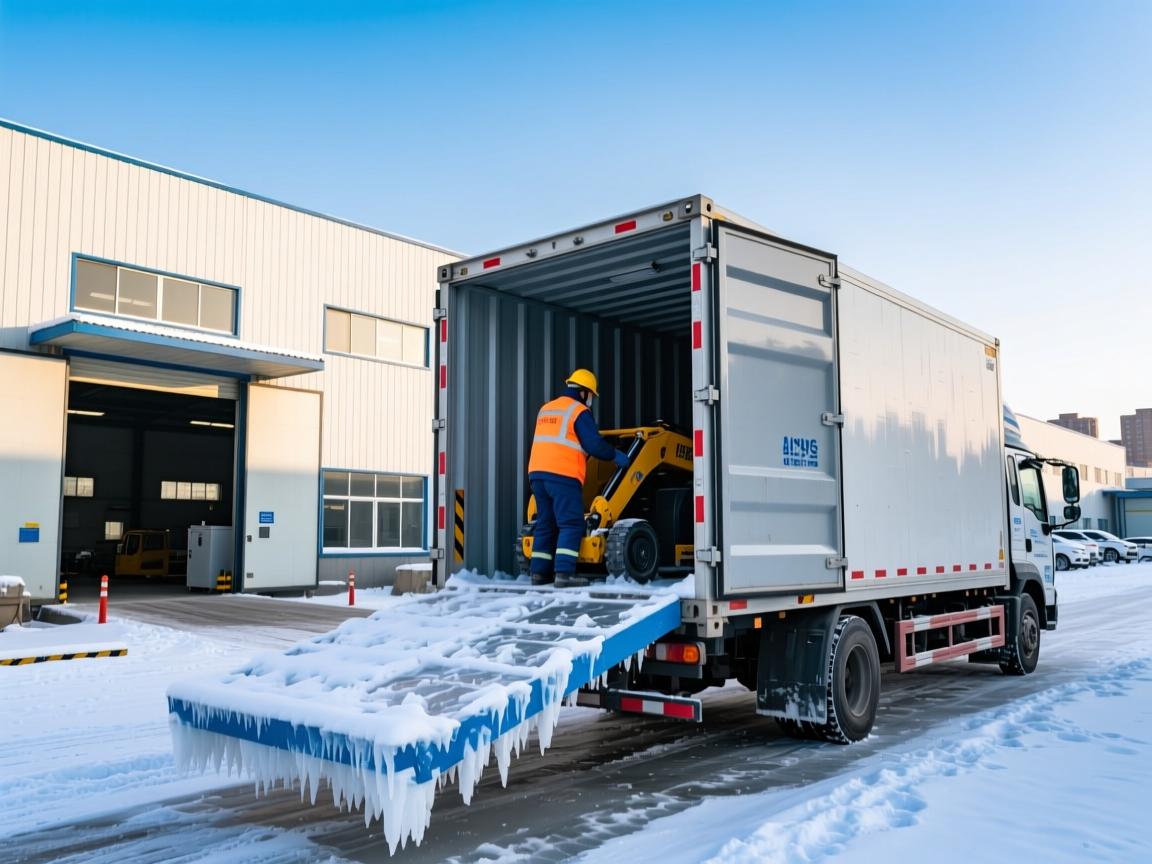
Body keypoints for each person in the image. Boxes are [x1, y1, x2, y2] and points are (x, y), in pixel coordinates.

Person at [527, 368, 630, 586]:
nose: (591, 399)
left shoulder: (547, 408)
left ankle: (539, 573)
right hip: (562, 475)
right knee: (571, 523)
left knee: (546, 523)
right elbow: (593, 445)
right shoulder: (579, 411)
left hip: (537, 474)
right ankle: (564, 574)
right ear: (584, 392)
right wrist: (614, 454)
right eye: (591, 395)